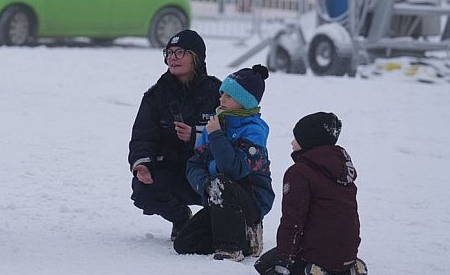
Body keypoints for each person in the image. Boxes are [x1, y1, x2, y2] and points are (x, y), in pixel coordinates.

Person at [129, 29, 222, 241]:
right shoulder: (156, 96)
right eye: (168, 52)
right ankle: (181, 218)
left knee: (235, 186)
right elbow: (142, 138)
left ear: (196, 57)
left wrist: (196, 136)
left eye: (180, 52)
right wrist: (142, 164)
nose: (172, 57)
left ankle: (226, 225)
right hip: (173, 172)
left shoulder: (218, 93)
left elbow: (233, 138)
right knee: (144, 189)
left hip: (207, 171)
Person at [174, 64, 274, 262]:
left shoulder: (254, 131)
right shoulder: (216, 123)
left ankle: (232, 248)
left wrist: (217, 136)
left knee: (221, 180)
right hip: (218, 198)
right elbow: (194, 164)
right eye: (222, 94)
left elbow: (235, 170)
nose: (221, 99)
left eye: (229, 96)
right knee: (184, 243)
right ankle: (243, 238)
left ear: (245, 102)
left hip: (250, 201)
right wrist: (205, 185)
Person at [255, 112, 365, 275]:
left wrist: (283, 261)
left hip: (318, 253)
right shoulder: (341, 169)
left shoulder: (299, 172)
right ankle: (345, 269)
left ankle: (314, 270)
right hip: (347, 253)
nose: (292, 143)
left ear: (309, 141)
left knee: (264, 265)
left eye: (297, 138)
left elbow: (292, 221)